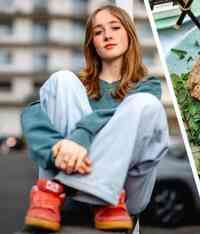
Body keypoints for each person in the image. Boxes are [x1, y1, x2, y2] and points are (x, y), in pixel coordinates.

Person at [20, 4, 168, 232]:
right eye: (98, 32)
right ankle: (50, 191)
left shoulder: (146, 85)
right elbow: (32, 111)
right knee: (61, 79)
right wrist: (59, 147)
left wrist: (80, 136)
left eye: (115, 27)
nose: (107, 35)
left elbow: (117, 117)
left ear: (129, 33)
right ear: (92, 43)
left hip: (127, 194)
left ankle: (104, 195)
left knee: (146, 105)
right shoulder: (73, 89)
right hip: (69, 182)